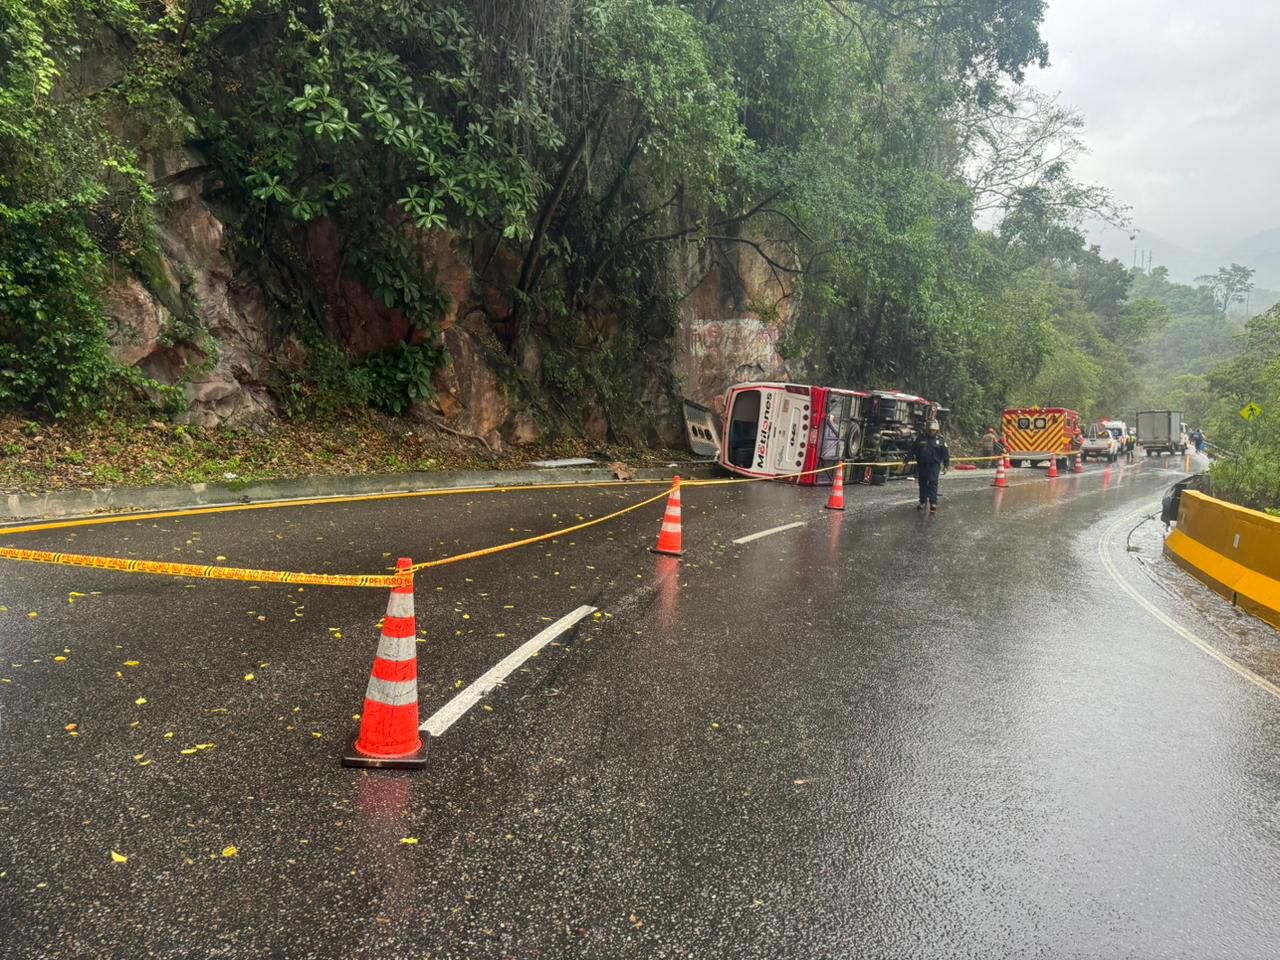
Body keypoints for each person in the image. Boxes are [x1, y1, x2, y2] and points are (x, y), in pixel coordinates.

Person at [907, 419, 950, 512]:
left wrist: (946, 465)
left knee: (933, 483)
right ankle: (922, 501)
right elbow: (913, 449)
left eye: (933, 430)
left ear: (936, 430)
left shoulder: (940, 440)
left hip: (934, 465)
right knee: (922, 483)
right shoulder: (920, 438)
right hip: (922, 465)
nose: (931, 432)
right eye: (930, 430)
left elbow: (945, 453)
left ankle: (933, 503)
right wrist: (907, 459)